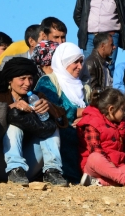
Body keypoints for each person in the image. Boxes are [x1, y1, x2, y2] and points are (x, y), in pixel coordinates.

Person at [0, 57, 68, 187]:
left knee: (50, 126)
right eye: (22, 78)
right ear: (10, 80)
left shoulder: (36, 96)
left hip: (29, 164)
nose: (27, 83)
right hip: (1, 162)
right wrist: (12, 107)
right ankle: (15, 169)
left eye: (30, 78)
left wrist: (49, 107)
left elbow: (62, 120)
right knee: (14, 125)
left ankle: (52, 171)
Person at [34, 42, 90, 183]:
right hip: (60, 131)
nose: (80, 66)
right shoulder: (48, 82)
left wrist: (85, 117)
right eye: (75, 62)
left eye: (81, 61)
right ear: (63, 62)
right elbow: (52, 108)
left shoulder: (83, 87)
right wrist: (81, 112)